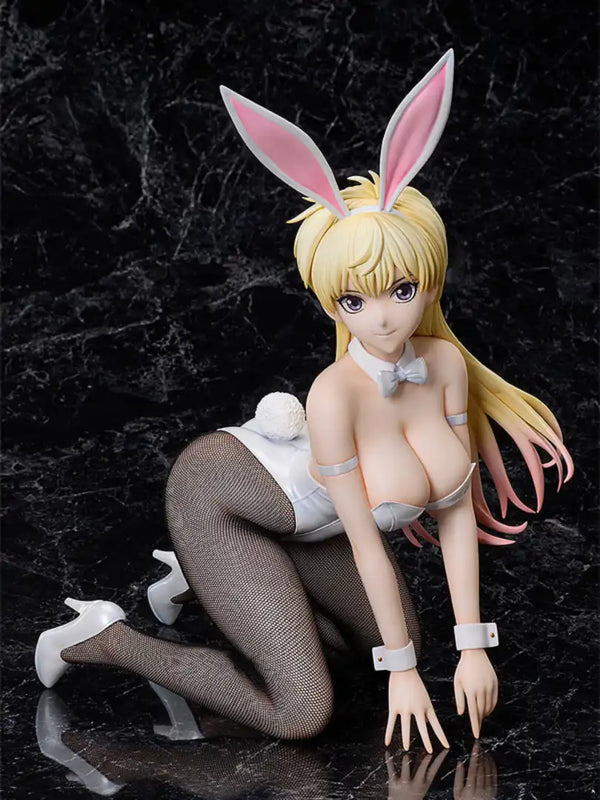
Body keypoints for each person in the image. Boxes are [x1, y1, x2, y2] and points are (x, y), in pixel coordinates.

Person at [34, 50, 573, 752]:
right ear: (330, 301)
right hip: (221, 496)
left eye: (401, 290)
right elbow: (366, 544)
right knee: (303, 709)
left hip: (302, 527)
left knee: (367, 649)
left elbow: (454, 514)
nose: (382, 318)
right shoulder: (335, 394)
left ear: (431, 281)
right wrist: (404, 672)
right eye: (354, 300)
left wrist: (474, 646)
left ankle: (201, 581)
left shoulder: (443, 367)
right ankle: (103, 637)